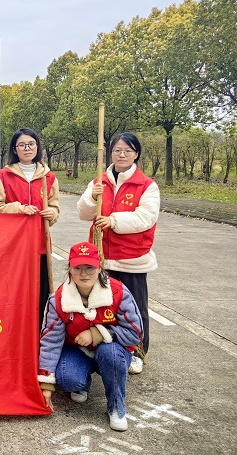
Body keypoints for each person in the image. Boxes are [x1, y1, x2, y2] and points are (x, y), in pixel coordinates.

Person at [77, 132, 159, 375]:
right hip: (102, 257)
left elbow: (145, 218)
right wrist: (92, 197)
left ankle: (137, 352)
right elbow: (83, 213)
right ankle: (106, 349)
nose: (122, 155)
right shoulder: (99, 181)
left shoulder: (146, 185)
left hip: (131, 258)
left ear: (136, 154)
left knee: (135, 308)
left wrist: (113, 220)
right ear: (110, 153)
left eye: (128, 150)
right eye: (117, 150)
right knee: (103, 306)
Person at [38, 242, 143, 432]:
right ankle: (82, 382)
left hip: (112, 349)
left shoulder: (118, 292)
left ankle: (116, 406)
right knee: (67, 379)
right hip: (78, 349)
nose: (83, 274)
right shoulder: (59, 299)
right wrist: (46, 384)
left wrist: (98, 333)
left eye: (90, 268)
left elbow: (135, 333)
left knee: (110, 355)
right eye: (77, 268)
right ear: (69, 269)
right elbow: (50, 340)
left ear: (99, 267)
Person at [0, 128, 59, 329]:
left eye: (31, 144)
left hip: (40, 246)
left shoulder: (49, 177)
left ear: (37, 146)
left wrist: (52, 213)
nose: (27, 148)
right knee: (12, 295)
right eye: (22, 145)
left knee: (40, 296)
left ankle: (35, 337)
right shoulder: (2, 176)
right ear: (14, 149)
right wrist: (18, 208)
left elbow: (55, 208)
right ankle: (12, 336)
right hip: (12, 248)